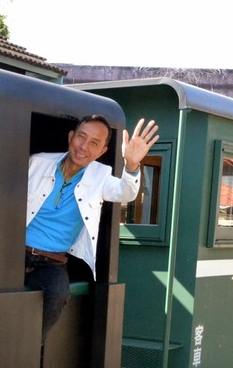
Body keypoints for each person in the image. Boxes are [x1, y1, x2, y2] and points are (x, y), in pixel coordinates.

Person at [25, 115, 159, 338]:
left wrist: (132, 164)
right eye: (81, 137)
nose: (84, 147)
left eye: (94, 143)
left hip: (51, 261)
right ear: (71, 136)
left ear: (102, 151)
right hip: (15, 251)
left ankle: (30, 346)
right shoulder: (37, 162)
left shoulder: (101, 176)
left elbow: (125, 193)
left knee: (58, 294)